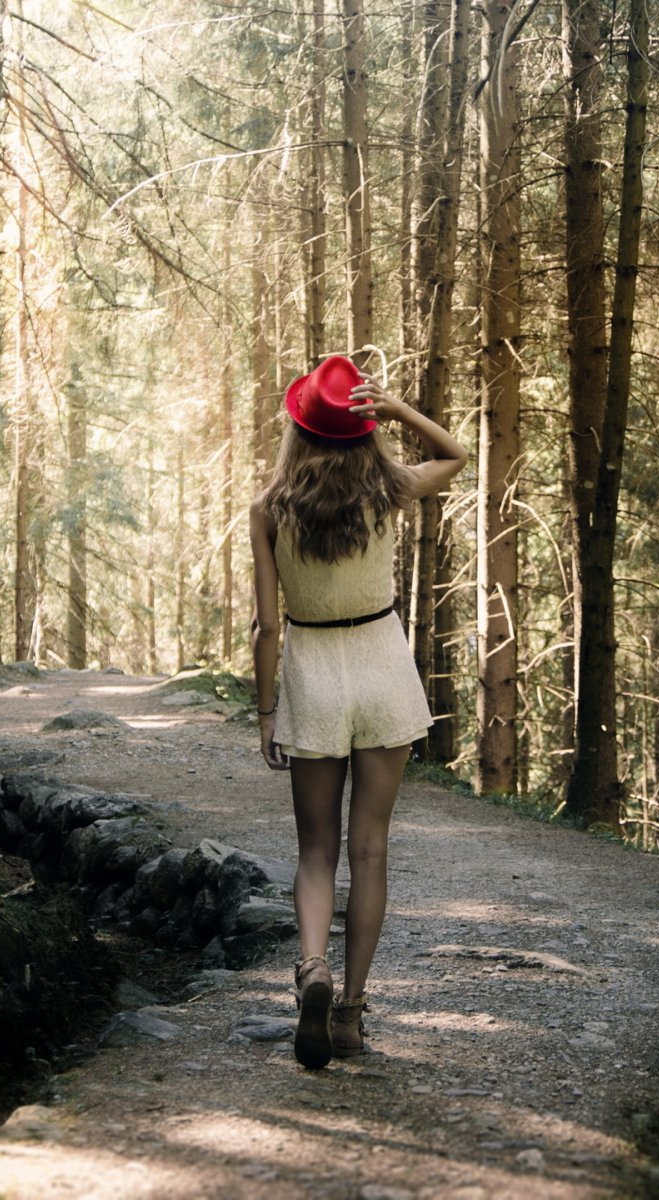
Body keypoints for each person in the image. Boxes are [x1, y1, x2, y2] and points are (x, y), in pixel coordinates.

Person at [248, 354, 467, 1069]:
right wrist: (397, 410)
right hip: (381, 667)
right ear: (362, 430)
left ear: (298, 429)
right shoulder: (388, 490)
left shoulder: (268, 509)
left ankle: (313, 967)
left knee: (315, 851)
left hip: (312, 673)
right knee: (368, 849)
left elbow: (265, 629)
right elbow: (455, 455)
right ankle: (350, 1014)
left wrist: (263, 712)